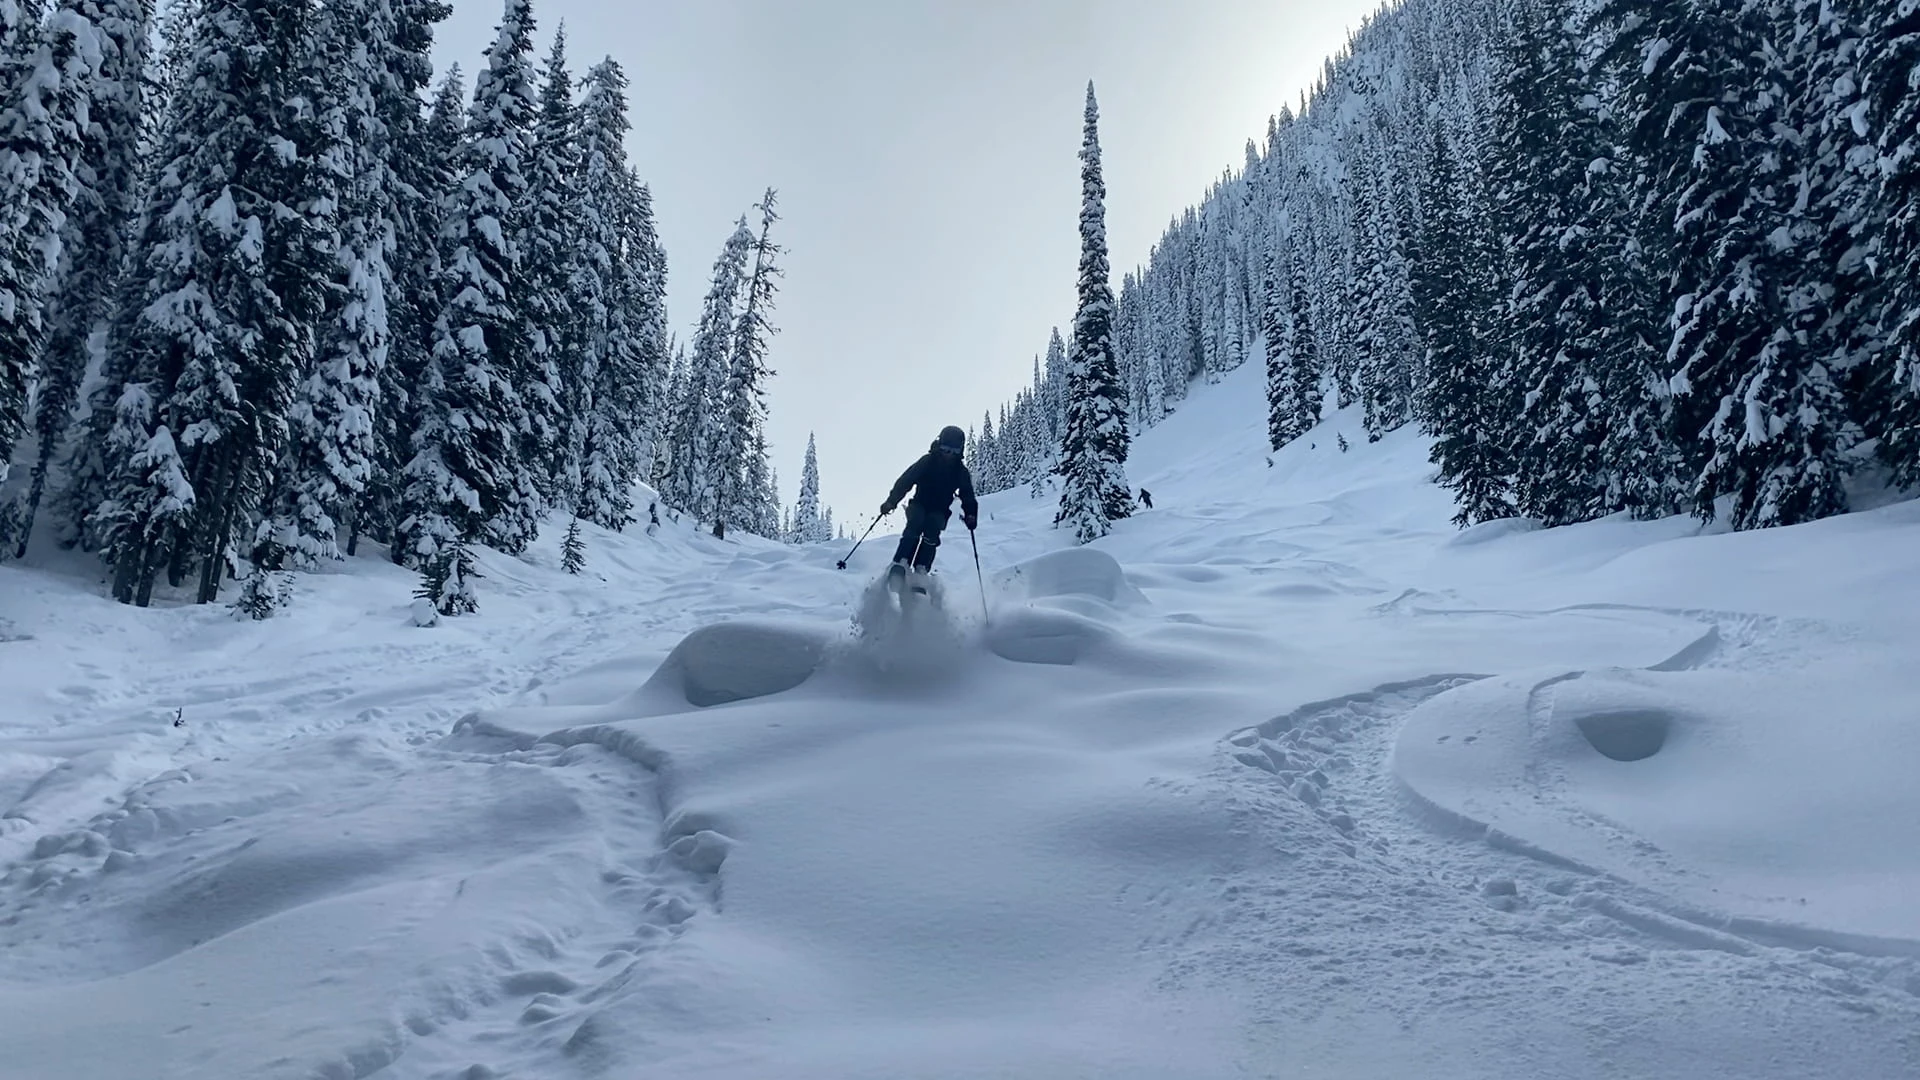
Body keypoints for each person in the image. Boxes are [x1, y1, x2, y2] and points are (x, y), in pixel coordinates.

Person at [880, 425, 978, 576]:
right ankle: (901, 563)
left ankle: (921, 570)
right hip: (919, 503)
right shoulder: (928, 461)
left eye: (954, 451)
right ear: (939, 445)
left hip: (939, 510)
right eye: (946, 449)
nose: (949, 454)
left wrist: (971, 514)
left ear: (960, 451)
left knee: (933, 529)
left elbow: (968, 495)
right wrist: (891, 501)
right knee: (915, 523)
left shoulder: (960, 471)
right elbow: (906, 480)